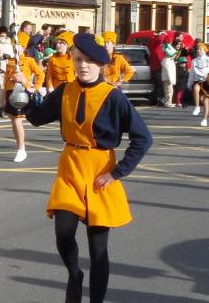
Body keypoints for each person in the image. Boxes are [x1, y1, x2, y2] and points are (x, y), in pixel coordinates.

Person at [26, 33, 152, 303]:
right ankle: (74, 274)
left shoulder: (113, 97)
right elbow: (35, 118)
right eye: (79, 59)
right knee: (63, 232)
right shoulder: (64, 91)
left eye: (90, 61)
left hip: (99, 171)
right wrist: (22, 94)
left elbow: (143, 138)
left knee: (98, 250)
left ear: (101, 65)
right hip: (70, 167)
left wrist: (117, 172)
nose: (83, 66)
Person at [4, 32, 44, 162]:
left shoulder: (28, 60)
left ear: (23, 47)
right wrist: (4, 95)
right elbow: (6, 80)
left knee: (17, 120)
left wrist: (33, 87)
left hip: (21, 93)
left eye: (19, 45)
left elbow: (40, 75)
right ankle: (19, 146)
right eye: (14, 45)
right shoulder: (10, 61)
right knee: (13, 121)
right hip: (10, 93)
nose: (16, 48)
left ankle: (21, 150)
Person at [187, 43, 209, 125]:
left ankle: (204, 119)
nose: (198, 51)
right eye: (198, 49)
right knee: (196, 88)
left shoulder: (208, 59)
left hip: (207, 82)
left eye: (201, 49)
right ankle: (197, 107)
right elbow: (192, 73)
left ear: (205, 51)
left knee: (205, 101)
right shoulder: (194, 61)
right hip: (198, 81)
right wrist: (189, 83)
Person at [147, 31, 166, 106]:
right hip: (157, 65)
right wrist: (163, 34)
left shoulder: (152, 41)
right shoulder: (155, 41)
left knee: (156, 84)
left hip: (155, 65)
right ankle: (160, 100)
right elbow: (160, 40)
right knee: (159, 84)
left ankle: (154, 100)